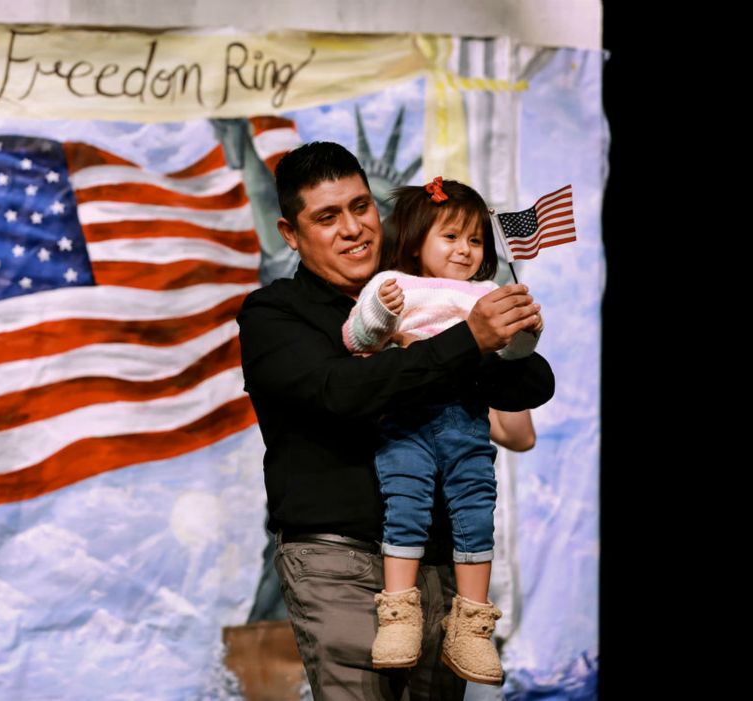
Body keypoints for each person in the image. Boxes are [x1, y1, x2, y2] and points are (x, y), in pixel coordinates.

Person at [236, 141, 554, 700]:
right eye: (327, 216)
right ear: (290, 233)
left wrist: (498, 333)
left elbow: (532, 383)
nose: (353, 228)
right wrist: (465, 343)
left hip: (437, 562)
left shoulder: (433, 297)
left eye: (360, 207)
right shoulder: (275, 314)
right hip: (338, 560)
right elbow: (342, 392)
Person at [342, 179, 541, 683]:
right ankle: (399, 618)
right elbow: (356, 337)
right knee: (404, 507)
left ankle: (471, 625)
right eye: (450, 237)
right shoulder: (394, 283)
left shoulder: (488, 294)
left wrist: (524, 337)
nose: (465, 250)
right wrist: (382, 313)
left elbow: (509, 361)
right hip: (404, 422)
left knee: (476, 510)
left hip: (466, 421)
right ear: (415, 242)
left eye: (475, 240)